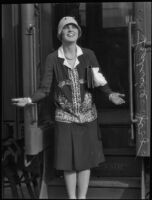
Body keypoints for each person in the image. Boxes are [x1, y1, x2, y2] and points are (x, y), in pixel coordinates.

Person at [12, 16, 125, 199]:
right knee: (68, 162)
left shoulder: (88, 55)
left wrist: (110, 94)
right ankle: (72, 198)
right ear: (60, 34)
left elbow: (98, 79)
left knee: (85, 161)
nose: (70, 30)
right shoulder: (52, 59)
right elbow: (45, 89)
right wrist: (29, 99)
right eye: (66, 28)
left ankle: (82, 198)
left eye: (74, 27)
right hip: (65, 117)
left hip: (88, 116)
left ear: (78, 33)